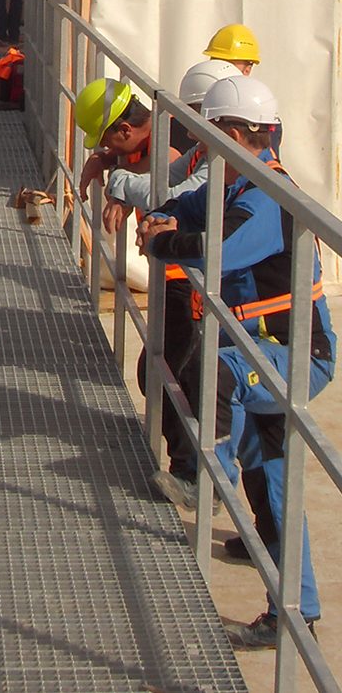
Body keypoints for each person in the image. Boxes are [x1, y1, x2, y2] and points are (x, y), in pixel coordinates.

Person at [137, 74, 335, 650]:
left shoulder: (267, 197)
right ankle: (295, 613)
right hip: (262, 355)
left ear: (236, 134)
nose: (200, 149)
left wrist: (163, 240)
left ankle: (202, 480)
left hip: (295, 357)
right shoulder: (232, 183)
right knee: (269, 483)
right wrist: (164, 217)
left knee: (215, 371)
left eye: (209, 135)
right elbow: (184, 207)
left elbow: (217, 251)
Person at [101, 60, 240, 504]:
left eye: (196, 116)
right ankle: (206, 481)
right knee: (179, 377)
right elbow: (171, 192)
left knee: (188, 380)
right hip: (207, 287)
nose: (186, 126)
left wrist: (119, 183)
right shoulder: (205, 155)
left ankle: (201, 480)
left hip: (215, 292)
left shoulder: (223, 166)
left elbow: (172, 196)